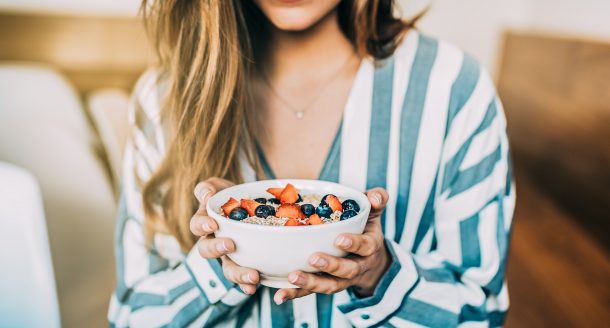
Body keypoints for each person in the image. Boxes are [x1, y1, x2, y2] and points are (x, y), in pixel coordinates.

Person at [108, 0, 515, 327]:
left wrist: (378, 275)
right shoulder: (164, 100)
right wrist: (218, 264)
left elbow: (481, 312)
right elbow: (132, 316)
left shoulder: (453, 90)